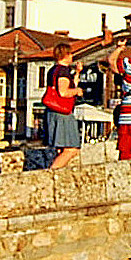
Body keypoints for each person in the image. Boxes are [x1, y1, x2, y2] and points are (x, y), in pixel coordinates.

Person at [43, 42, 83, 171]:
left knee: (61, 148)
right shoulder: (63, 71)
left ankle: (56, 172)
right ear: (65, 55)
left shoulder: (53, 70)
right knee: (71, 149)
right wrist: (77, 91)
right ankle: (51, 172)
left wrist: (77, 74)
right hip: (63, 113)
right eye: (70, 53)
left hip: (53, 111)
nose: (72, 56)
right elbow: (64, 92)